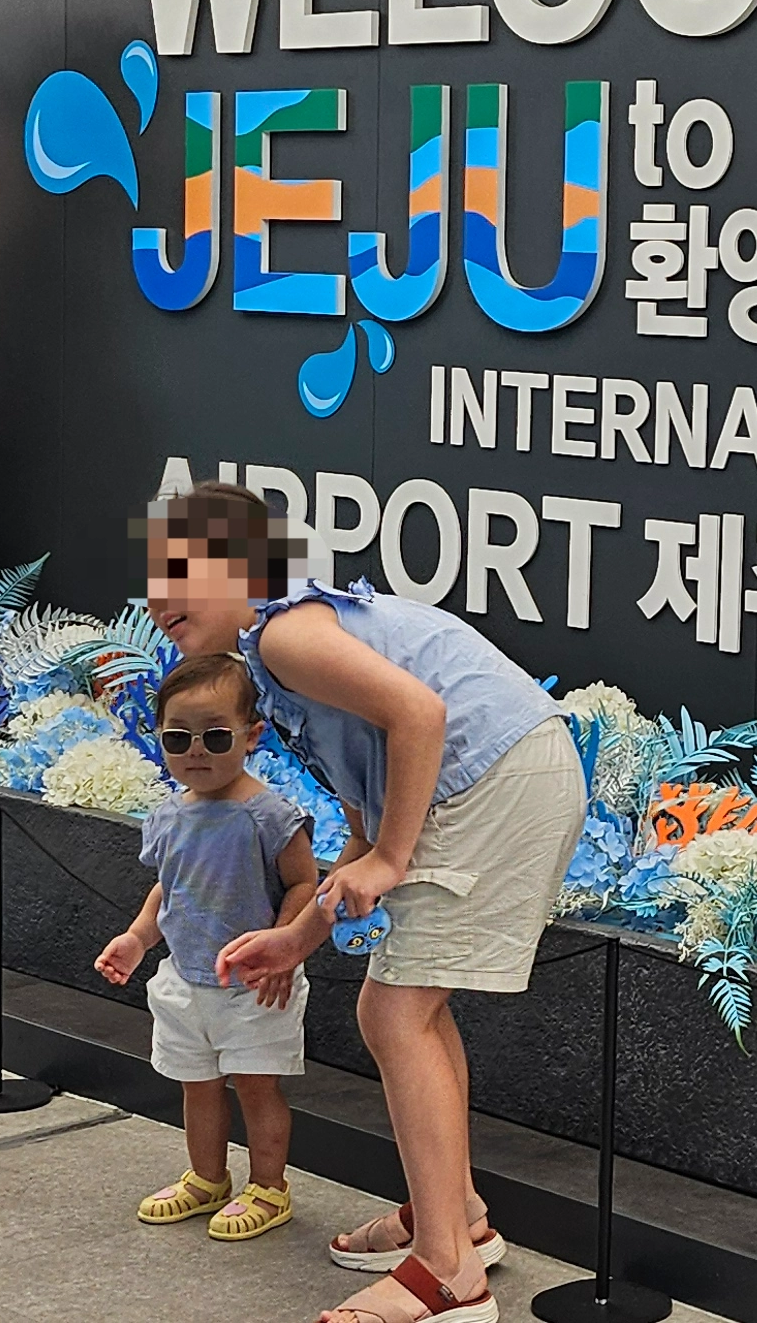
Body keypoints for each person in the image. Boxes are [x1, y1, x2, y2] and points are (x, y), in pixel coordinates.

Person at [148, 482, 584, 1323]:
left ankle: (446, 1275)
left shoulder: (283, 633)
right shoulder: (278, 659)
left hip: (491, 778)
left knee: (395, 1014)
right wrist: (296, 939)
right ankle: (456, 1222)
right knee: (412, 1009)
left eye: (180, 567)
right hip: (496, 776)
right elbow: (364, 819)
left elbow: (420, 715)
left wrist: (390, 859)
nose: (160, 595)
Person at [95, 651, 317, 1244]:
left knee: (255, 1085)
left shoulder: (269, 815)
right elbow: (171, 887)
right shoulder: (168, 815)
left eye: (216, 737)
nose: (196, 750)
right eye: (178, 737)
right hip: (185, 979)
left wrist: (286, 948)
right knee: (196, 1083)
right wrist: (139, 937)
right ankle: (207, 1177)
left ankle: (269, 1187)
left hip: (253, 985)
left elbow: (304, 884)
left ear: (252, 736)